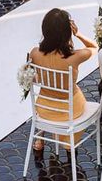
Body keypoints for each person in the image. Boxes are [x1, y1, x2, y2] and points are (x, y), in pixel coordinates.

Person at [28, 8, 97, 152]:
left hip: (44, 109)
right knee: (80, 97)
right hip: (70, 112)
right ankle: (67, 143)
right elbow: (94, 47)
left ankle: (41, 134)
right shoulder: (74, 57)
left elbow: (32, 77)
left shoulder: (35, 53)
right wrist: (78, 34)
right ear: (67, 32)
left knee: (48, 87)